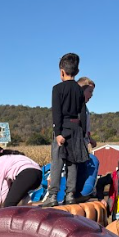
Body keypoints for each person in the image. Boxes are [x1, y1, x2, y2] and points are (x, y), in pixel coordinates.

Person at [42, 53, 88, 207]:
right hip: (76, 129)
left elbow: (57, 113)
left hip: (63, 129)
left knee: (57, 162)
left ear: (62, 71)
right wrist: (81, 133)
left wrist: (58, 132)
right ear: (77, 71)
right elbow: (82, 113)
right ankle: (70, 195)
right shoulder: (79, 90)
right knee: (72, 163)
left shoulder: (57, 89)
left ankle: (53, 195)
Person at [77, 77, 97, 148]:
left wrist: (90, 139)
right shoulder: (74, 107)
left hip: (83, 146)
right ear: (81, 90)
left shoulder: (85, 108)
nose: (91, 95)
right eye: (90, 91)